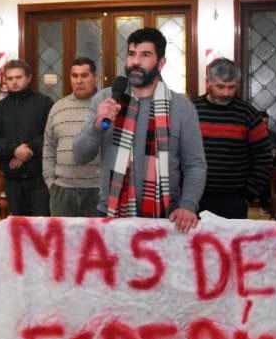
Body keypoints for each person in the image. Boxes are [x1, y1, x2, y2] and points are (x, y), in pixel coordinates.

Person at [73, 27, 207, 232]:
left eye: (145, 55)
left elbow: (195, 165)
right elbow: (80, 155)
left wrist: (188, 205)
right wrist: (97, 126)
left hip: (165, 218)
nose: (135, 61)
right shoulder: (106, 99)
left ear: (161, 63)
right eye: (131, 54)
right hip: (110, 213)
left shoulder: (182, 107)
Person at [192, 57, 272, 219]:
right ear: (208, 82)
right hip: (193, 198)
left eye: (231, 87)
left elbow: (264, 157)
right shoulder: (191, 111)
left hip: (234, 200)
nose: (226, 93)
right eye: (220, 87)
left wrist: (247, 195)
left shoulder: (248, 114)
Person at [0, 59, 54, 216]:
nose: (14, 82)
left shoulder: (44, 103)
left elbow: (51, 134)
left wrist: (28, 150)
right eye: (10, 78)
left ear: (29, 78)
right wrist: (14, 150)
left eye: (18, 77)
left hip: (40, 177)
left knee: (41, 225)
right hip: (12, 179)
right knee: (18, 227)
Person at [42, 57, 101, 217]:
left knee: (96, 241)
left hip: (97, 191)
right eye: (74, 76)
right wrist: (50, 183)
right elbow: (48, 147)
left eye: (84, 75)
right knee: (62, 241)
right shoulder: (58, 108)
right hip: (62, 192)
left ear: (95, 77)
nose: (79, 81)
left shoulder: (105, 106)